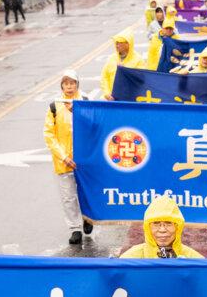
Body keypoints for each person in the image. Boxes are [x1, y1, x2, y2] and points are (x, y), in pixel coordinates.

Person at [44, 69, 92, 245]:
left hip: (85, 158)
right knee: (68, 196)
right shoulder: (54, 105)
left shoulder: (85, 101)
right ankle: (75, 229)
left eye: (72, 83)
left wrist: (76, 112)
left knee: (86, 191)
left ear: (77, 84)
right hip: (64, 161)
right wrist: (63, 156)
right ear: (62, 86)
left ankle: (88, 218)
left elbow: (94, 124)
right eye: (66, 83)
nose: (69, 87)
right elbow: (49, 134)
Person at [100, 32, 144, 98]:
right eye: (116, 43)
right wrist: (107, 93)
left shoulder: (138, 59)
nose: (117, 45)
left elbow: (141, 79)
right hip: (112, 99)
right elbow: (104, 77)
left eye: (120, 43)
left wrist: (125, 70)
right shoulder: (111, 58)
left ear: (127, 44)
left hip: (130, 99)